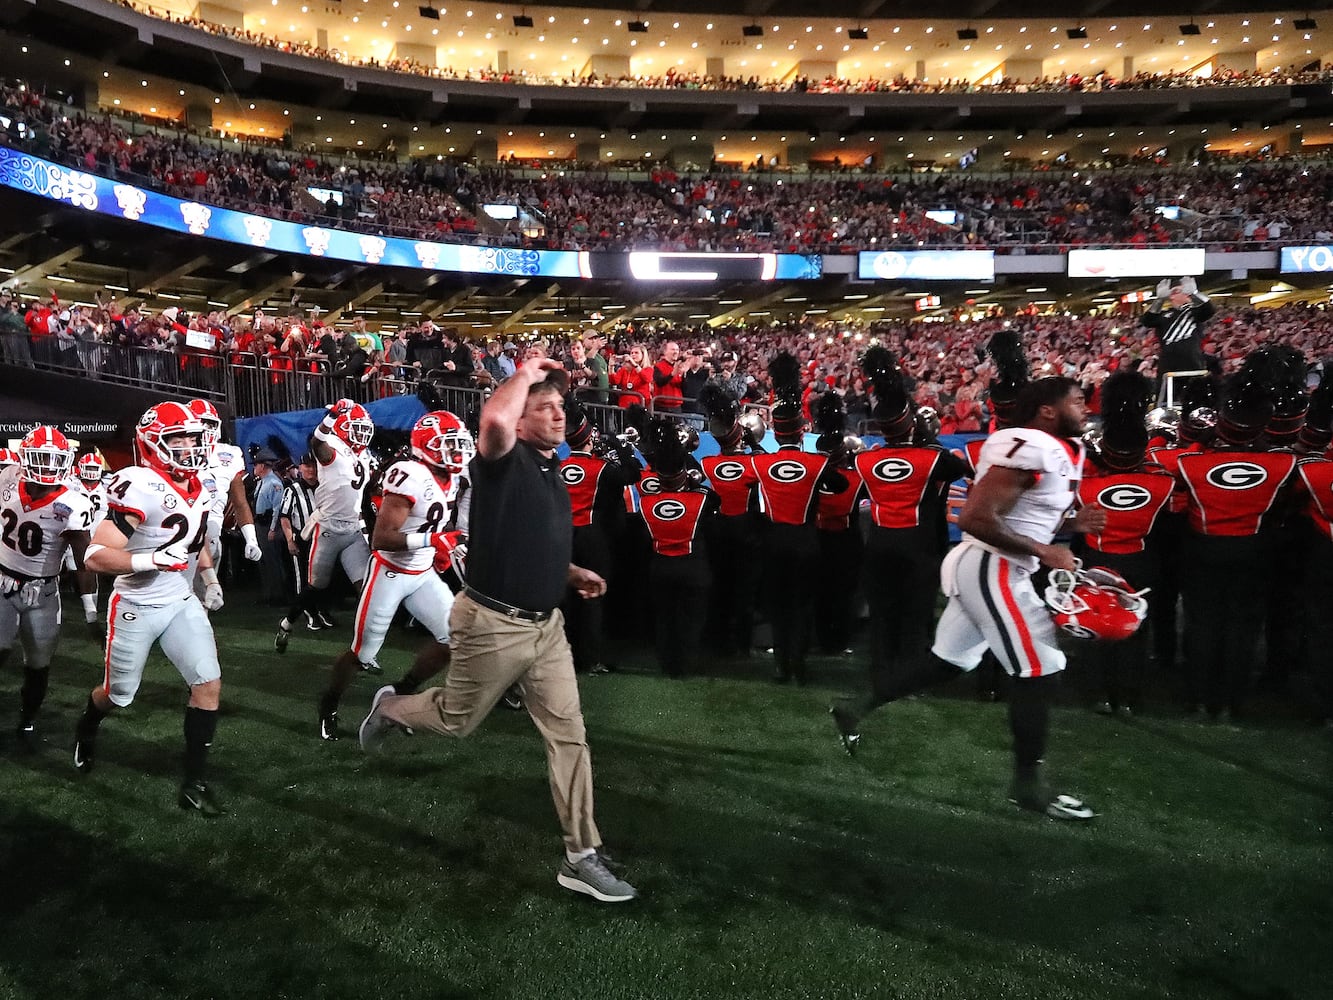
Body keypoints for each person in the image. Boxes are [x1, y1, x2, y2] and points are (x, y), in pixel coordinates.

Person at [357, 356, 638, 903]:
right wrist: (525, 371)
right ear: (520, 418)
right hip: (492, 624)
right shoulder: (501, 460)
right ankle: (390, 706)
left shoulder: (548, 467)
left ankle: (580, 854)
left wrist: (569, 572)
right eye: (544, 407)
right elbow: (491, 422)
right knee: (456, 721)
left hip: (546, 627)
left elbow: (531, 542)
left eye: (560, 406)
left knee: (570, 737)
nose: (558, 416)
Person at [842, 377, 1107, 821]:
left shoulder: (1057, 450)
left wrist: (1069, 526)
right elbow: (976, 517)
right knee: (1041, 667)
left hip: (994, 564)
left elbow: (1026, 515)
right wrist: (1047, 551)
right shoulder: (1030, 445)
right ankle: (1029, 786)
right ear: (1046, 410)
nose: (1086, 409)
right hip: (993, 565)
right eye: (1077, 402)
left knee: (951, 660)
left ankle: (853, 709)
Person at [74, 402, 227, 815]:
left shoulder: (201, 486)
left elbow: (195, 546)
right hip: (136, 602)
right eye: (177, 440)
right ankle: (87, 725)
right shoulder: (138, 483)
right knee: (119, 695)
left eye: (192, 439)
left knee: (208, 683)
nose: (189, 448)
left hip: (179, 597)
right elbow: (96, 555)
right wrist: (149, 560)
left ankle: (194, 782)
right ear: (152, 443)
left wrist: (208, 578)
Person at [832, 349, 969, 751]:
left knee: (883, 618)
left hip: (879, 546)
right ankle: (906, 682)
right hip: (919, 548)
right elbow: (960, 469)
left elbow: (844, 483)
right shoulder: (933, 458)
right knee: (914, 617)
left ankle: (880, 677)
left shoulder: (868, 459)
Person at [328, 411, 471, 712]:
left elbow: (431, 522)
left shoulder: (454, 477)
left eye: (459, 444)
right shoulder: (410, 474)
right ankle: (329, 703)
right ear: (427, 446)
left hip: (423, 573)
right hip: (390, 572)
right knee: (362, 653)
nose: (457, 452)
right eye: (449, 444)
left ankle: (400, 691)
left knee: (455, 638)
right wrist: (433, 541)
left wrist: (440, 548)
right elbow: (382, 538)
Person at [0, 427, 94, 746]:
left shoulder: (74, 503)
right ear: (26, 458)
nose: (47, 467)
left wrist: (91, 609)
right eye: (41, 458)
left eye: (55, 460)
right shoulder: (8, 477)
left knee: (38, 663)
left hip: (43, 591)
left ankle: (28, 719)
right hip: (2, 580)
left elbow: (84, 558)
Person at [307, 399, 376, 739]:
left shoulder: (362, 455)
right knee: (315, 586)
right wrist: (332, 415)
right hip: (328, 529)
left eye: (365, 429)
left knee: (367, 589)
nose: (361, 434)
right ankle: (292, 621)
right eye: (356, 427)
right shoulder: (332, 444)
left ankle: (365, 648)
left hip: (352, 532)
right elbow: (316, 443)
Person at [274, 453, 319, 650]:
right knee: (303, 579)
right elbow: (284, 517)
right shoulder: (293, 489)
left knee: (318, 579)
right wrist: (290, 540)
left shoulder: (323, 488)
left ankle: (317, 611)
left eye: (313, 466)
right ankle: (308, 614)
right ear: (300, 468)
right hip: (302, 538)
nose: (310, 470)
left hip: (322, 539)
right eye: (306, 466)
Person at [1141, 276, 1215, 377]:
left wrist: (1194, 293)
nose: (1185, 292)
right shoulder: (1164, 315)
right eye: (1181, 290)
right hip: (1168, 367)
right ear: (1171, 295)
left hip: (1194, 365)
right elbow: (1147, 321)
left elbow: (1209, 310)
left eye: (1187, 289)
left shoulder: (1195, 312)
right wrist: (1160, 300)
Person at [250, 448, 286, 606]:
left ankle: (278, 594)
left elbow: (277, 508)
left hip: (267, 525)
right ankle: (268, 593)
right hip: (260, 523)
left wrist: (273, 529)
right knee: (263, 560)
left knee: (272, 560)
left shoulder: (274, 483)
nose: (254, 468)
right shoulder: (263, 482)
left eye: (256, 464)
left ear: (263, 466)